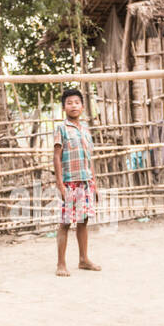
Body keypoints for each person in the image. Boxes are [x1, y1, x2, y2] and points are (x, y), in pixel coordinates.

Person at [53, 86, 101, 276]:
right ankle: (61, 264)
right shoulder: (61, 129)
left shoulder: (86, 131)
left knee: (83, 221)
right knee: (65, 223)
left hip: (86, 182)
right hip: (69, 182)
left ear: (82, 107)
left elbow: (90, 158)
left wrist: (94, 183)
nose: (73, 105)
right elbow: (56, 157)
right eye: (69, 103)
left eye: (77, 102)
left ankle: (83, 259)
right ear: (64, 107)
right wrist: (60, 184)